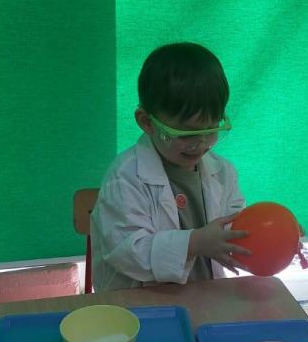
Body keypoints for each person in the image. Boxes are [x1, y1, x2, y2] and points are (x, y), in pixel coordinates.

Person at [91, 42, 250, 291]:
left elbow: (234, 228)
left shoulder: (223, 172)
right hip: (140, 300)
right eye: (187, 134)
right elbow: (126, 251)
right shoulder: (124, 177)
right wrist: (194, 243)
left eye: (211, 130)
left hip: (207, 295)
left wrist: (272, 233)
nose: (201, 144)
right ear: (147, 122)